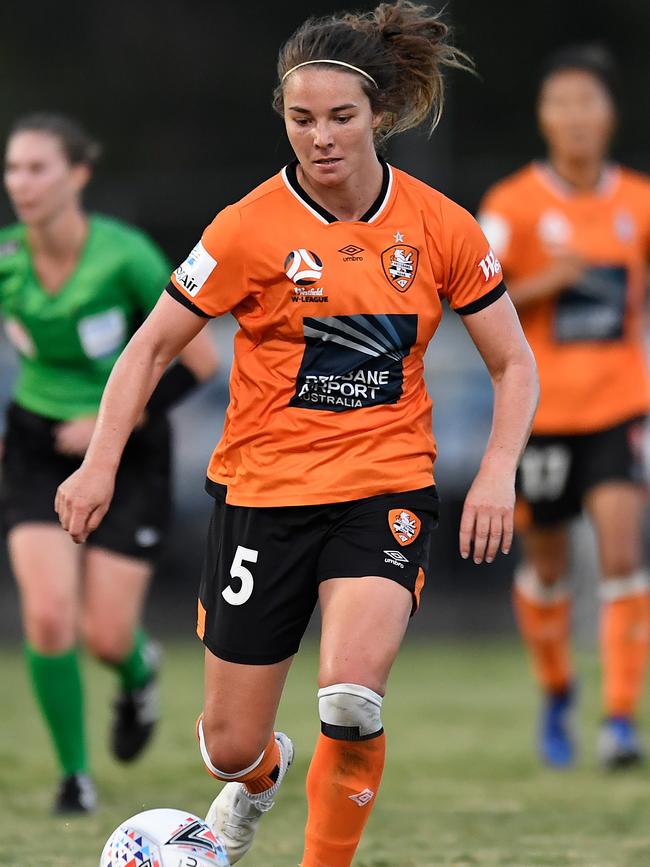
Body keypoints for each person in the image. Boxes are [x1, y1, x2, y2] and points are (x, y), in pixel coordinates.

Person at [56, 3, 538, 863]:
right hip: (262, 496)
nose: (320, 138)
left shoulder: (439, 226)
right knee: (226, 745)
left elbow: (513, 362)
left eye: (341, 118)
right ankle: (264, 770)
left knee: (352, 695)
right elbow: (148, 350)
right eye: (301, 119)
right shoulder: (248, 227)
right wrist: (100, 462)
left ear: (379, 115)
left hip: (385, 489)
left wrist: (498, 468)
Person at [0, 113, 218, 814]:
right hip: (36, 446)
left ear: (79, 176)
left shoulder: (125, 257)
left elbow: (201, 362)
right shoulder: (6, 259)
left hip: (130, 445)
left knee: (104, 634)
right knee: (49, 616)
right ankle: (74, 777)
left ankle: (137, 669)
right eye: (13, 168)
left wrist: (106, 421)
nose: (21, 183)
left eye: (38, 168)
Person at [478, 46, 650, 769]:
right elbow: (470, 301)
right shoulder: (510, 205)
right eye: (562, 102)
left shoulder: (638, 202)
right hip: (541, 417)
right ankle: (556, 692)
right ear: (543, 117)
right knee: (546, 568)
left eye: (589, 101)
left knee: (620, 552)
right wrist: (544, 281)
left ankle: (618, 718)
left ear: (610, 113)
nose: (576, 116)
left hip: (618, 406)